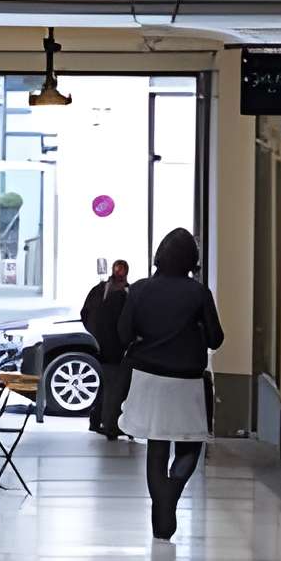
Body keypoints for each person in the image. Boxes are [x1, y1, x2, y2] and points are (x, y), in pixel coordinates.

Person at [118, 229, 224, 541]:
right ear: (193, 259)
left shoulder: (139, 290)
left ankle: (161, 508)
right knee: (190, 444)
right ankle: (170, 498)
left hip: (147, 377)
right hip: (185, 381)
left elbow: (123, 334)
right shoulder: (198, 293)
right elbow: (216, 338)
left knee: (157, 444)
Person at [80, 259, 131, 438]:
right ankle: (110, 424)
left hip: (102, 346)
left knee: (106, 385)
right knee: (114, 387)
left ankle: (97, 420)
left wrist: (95, 334)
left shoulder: (101, 291)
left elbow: (84, 313)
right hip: (114, 349)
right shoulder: (122, 293)